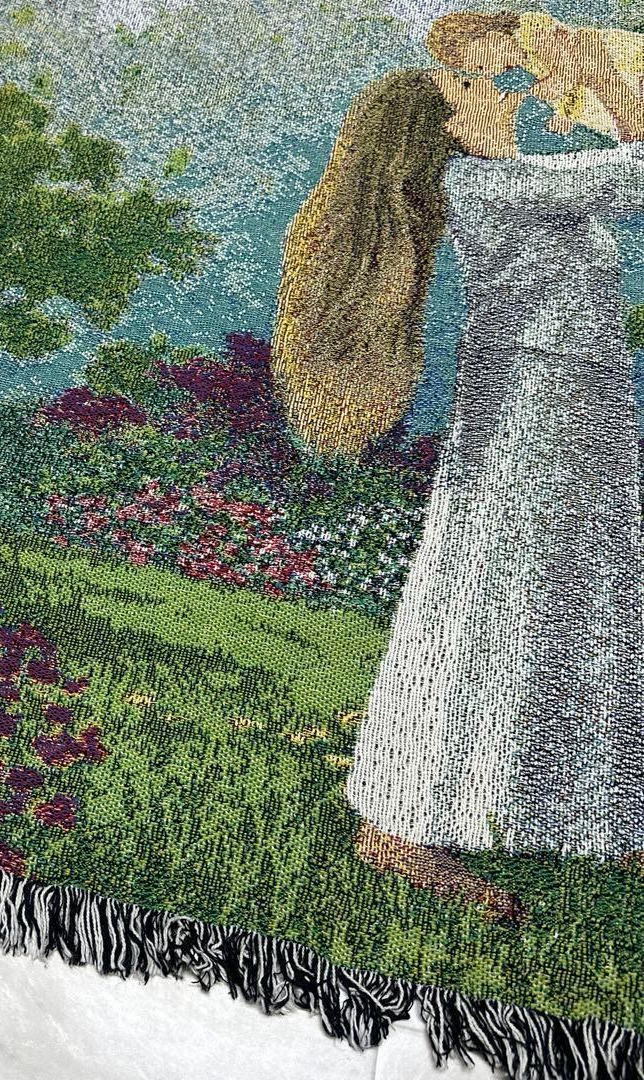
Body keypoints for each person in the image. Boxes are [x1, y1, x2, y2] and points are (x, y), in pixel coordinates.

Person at [272, 68, 644, 919]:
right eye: (481, 83)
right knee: (488, 608)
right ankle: (400, 826)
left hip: (579, 408)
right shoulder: (486, 184)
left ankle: (596, 816)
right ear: (445, 126)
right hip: (530, 416)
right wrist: (598, 73)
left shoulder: (521, 179)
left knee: (585, 604)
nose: (510, 90)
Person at [427, 10, 644, 142]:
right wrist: (565, 114)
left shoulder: (531, 31)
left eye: (482, 65)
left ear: (492, 37)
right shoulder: (529, 66)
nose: (491, 72)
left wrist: (544, 89)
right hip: (605, 80)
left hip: (625, 59)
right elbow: (572, 90)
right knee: (621, 127)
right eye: (481, 71)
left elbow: (568, 69)